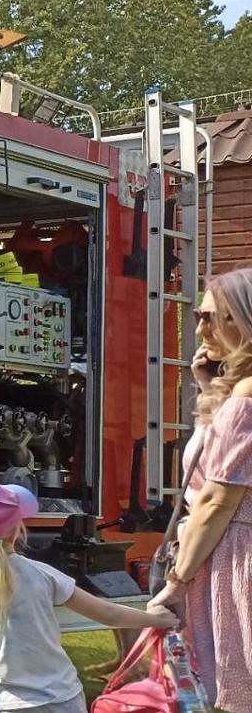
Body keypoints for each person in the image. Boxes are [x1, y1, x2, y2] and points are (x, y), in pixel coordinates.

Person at [0, 481, 175, 713]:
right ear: (16, 530)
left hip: (8, 704)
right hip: (63, 699)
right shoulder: (42, 574)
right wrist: (156, 619)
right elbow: (108, 614)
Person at [148, 272, 252, 711]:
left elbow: (217, 499)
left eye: (209, 316)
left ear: (242, 320)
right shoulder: (240, 393)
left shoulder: (246, 397)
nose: (200, 328)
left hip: (236, 551)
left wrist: (176, 582)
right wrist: (211, 387)